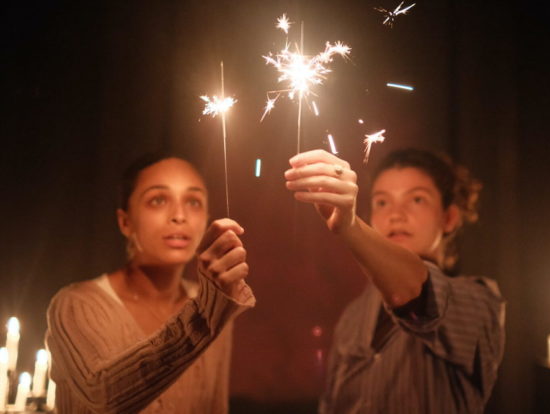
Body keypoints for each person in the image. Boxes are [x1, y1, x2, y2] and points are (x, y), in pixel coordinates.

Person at [284, 148, 505, 413]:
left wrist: (349, 226)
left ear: (449, 218)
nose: (396, 214)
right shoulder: (353, 317)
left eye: (417, 200)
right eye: (382, 202)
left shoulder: (479, 300)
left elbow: (416, 292)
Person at [46, 153, 255, 413]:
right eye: (158, 200)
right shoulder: (76, 304)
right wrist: (206, 313)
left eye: (193, 202)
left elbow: (214, 405)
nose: (180, 216)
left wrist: (212, 307)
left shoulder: (210, 301)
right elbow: (102, 396)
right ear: (125, 221)